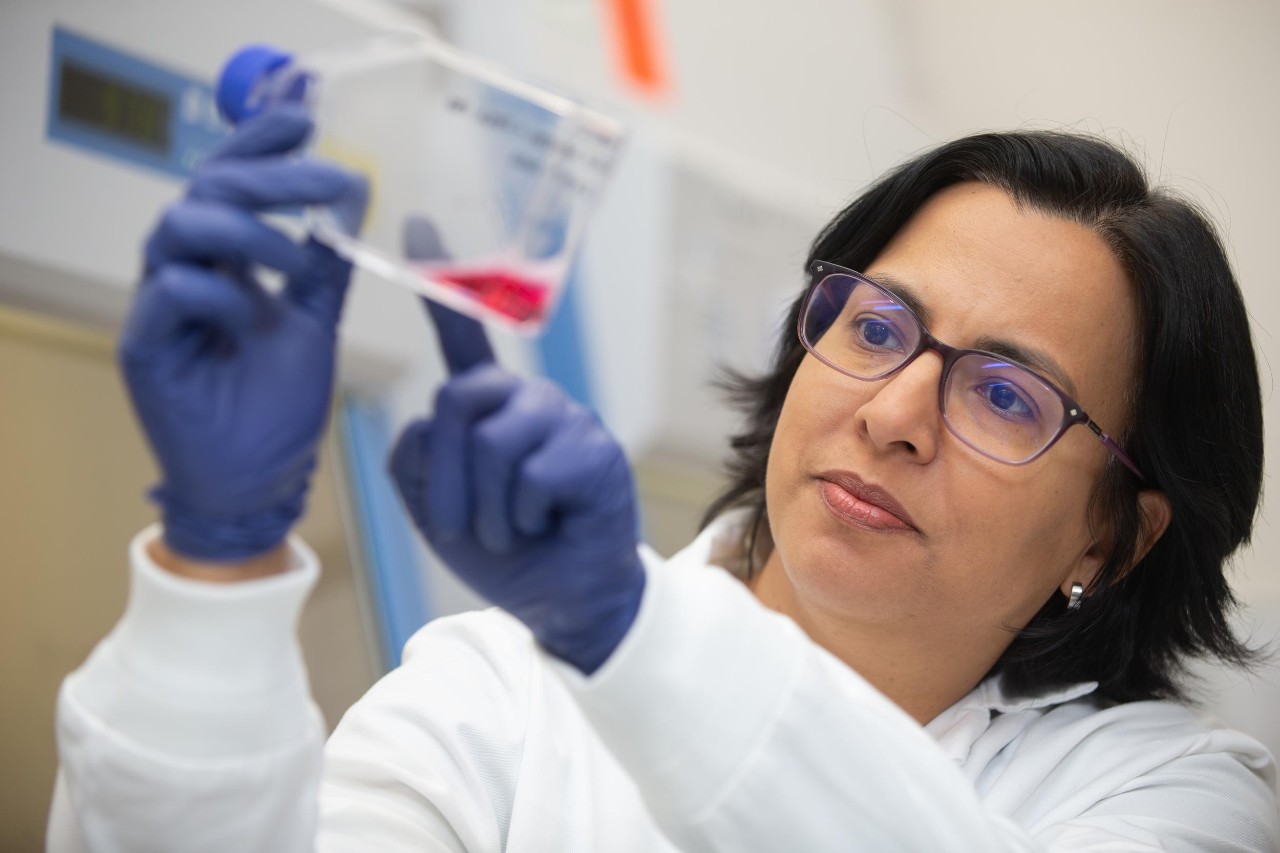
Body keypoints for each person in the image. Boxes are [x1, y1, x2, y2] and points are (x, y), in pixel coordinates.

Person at [48, 103, 1279, 851]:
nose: (896, 413)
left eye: (1005, 394)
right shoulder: (497, 697)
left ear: (1112, 538)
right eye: (874, 326)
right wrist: (218, 557)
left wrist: (628, 632)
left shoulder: (1175, 795)